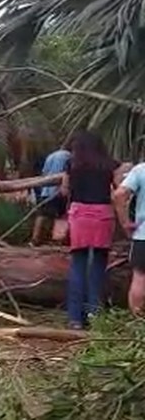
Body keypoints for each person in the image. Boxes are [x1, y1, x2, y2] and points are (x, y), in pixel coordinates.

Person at [60, 131, 122, 329]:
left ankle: (75, 318)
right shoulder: (111, 165)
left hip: (79, 216)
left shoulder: (71, 164)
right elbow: (119, 189)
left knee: (77, 265)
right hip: (102, 216)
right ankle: (94, 314)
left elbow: (64, 190)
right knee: (98, 266)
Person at [114, 161, 145, 315]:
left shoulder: (141, 170)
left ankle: (138, 322)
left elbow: (119, 194)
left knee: (140, 277)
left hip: (143, 234)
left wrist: (125, 222)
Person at [31, 144, 72, 245]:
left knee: (42, 214)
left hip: (46, 190)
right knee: (61, 214)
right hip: (58, 190)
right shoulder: (69, 156)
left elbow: (44, 172)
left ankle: (35, 239)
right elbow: (67, 172)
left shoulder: (51, 156)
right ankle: (57, 239)